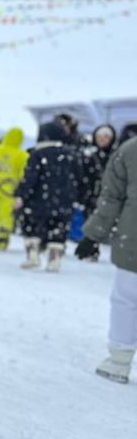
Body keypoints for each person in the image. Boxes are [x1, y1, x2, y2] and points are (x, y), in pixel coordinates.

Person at [77, 133, 137, 383]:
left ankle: (119, 361)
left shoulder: (131, 149)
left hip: (133, 239)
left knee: (127, 299)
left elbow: (112, 197)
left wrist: (93, 234)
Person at [16, 120, 81, 272]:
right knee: (58, 229)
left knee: (33, 228)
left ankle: (32, 255)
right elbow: (79, 178)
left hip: (38, 201)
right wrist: (75, 197)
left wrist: (21, 195)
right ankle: (54, 259)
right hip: (64, 202)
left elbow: (30, 178)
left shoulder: (37, 153)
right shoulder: (71, 154)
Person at [79, 124, 117, 225]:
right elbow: (81, 178)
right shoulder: (87, 156)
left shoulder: (117, 156)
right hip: (89, 199)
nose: (102, 139)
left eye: (106, 136)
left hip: (110, 199)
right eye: (99, 136)